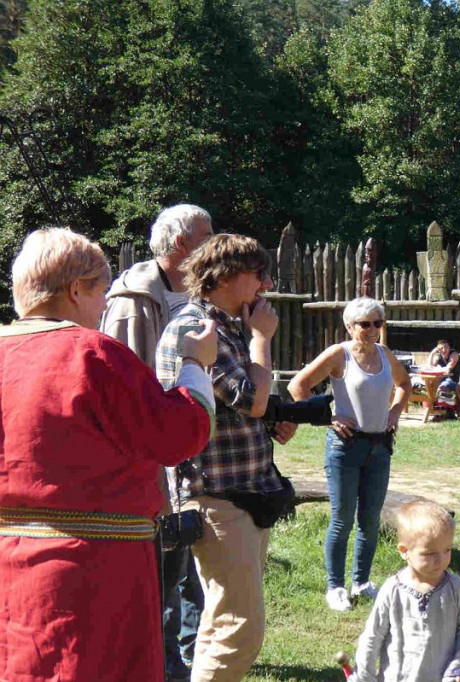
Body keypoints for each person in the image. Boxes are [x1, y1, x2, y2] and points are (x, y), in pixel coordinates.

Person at [0, 227, 216, 681]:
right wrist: (195, 363)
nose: (104, 305)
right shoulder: (91, 353)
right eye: (101, 291)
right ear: (75, 289)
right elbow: (178, 436)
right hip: (94, 571)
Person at [155, 233, 298, 682]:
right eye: (260, 274)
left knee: (223, 622)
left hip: (245, 494)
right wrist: (262, 338)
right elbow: (250, 398)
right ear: (229, 276)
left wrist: (272, 421)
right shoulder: (196, 328)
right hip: (216, 497)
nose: (267, 285)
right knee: (240, 629)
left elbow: (248, 410)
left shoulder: (228, 323)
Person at [100, 203, 213, 682]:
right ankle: (163, 666)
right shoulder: (132, 299)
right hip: (152, 459)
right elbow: (118, 388)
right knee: (163, 572)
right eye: (208, 236)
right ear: (182, 244)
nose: (215, 243)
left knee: (189, 563)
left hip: (190, 451)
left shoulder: (193, 294)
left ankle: (187, 654)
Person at [288, 297, 412, 612]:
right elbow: (298, 386)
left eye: (377, 323)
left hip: (380, 446)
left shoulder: (384, 354)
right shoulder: (338, 355)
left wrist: (395, 412)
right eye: (364, 324)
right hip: (345, 447)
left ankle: (362, 582)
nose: (371, 330)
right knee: (342, 520)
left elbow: (404, 383)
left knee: (370, 521)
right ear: (349, 326)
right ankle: (335, 587)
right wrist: (327, 417)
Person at [353, 499, 460, 682]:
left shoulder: (457, 589)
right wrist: (363, 676)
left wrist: (457, 669)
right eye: (429, 553)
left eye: (447, 550)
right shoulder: (392, 590)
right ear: (404, 551)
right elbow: (372, 636)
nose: (440, 560)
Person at [428, 339, 460, 414]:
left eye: (446, 348)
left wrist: (438, 369)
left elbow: (448, 368)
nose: (444, 350)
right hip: (444, 378)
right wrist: (432, 353)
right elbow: (429, 367)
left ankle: (449, 411)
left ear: (449, 347)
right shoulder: (438, 356)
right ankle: (436, 409)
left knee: (443, 388)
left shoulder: (454, 354)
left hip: (456, 379)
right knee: (430, 385)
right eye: (441, 348)